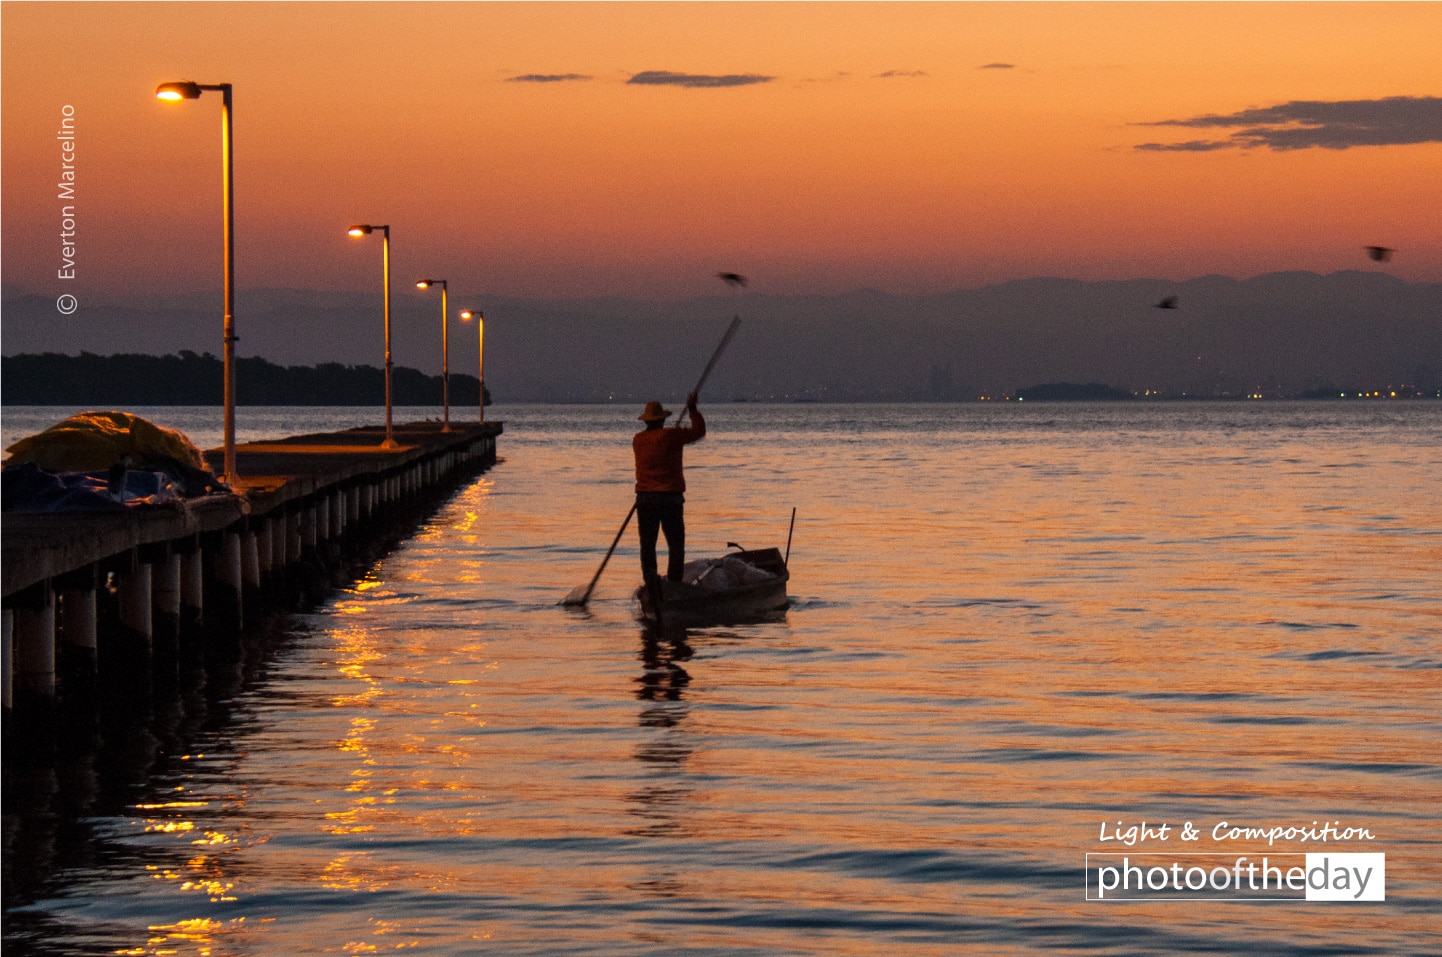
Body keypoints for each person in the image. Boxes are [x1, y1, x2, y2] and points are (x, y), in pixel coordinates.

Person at [633, 392, 706, 597]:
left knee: (647, 545)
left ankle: (651, 584)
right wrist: (692, 410)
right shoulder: (671, 436)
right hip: (669, 499)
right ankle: (673, 585)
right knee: (675, 545)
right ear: (663, 419)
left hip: (645, 499)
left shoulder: (638, 440)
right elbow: (699, 431)